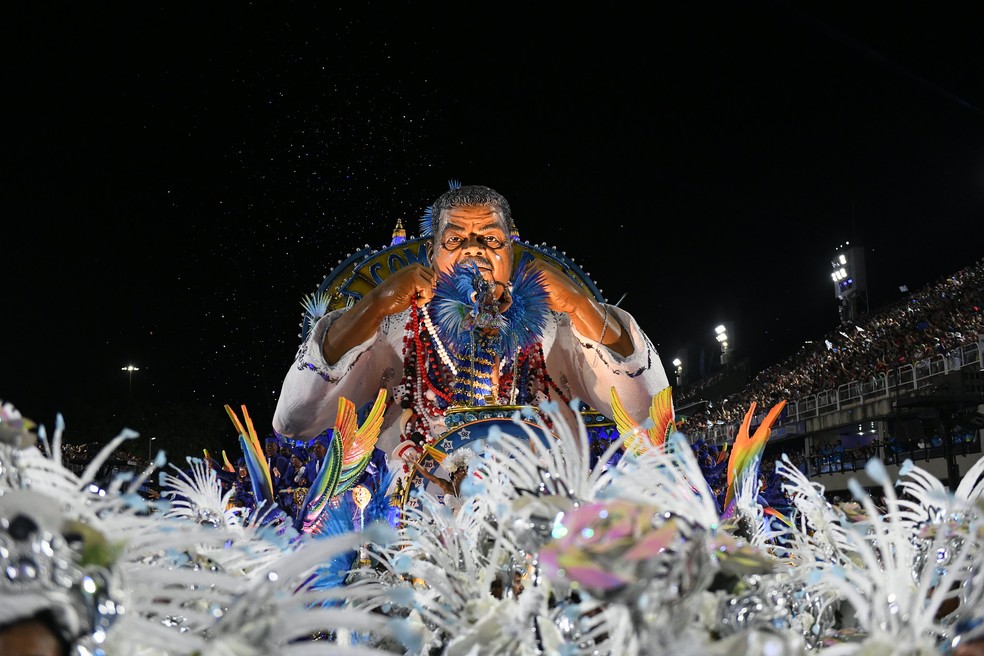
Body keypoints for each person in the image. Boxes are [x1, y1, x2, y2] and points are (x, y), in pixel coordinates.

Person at [273, 183, 670, 485]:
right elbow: (294, 420)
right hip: (418, 542)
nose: (475, 250)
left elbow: (651, 413)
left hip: (544, 536)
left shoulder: (559, 327)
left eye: (491, 239)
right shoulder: (393, 328)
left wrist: (581, 306)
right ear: (433, 255)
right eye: (456, 239)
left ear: (511, 254)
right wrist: (374, 304)